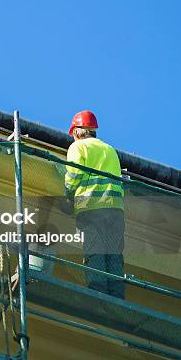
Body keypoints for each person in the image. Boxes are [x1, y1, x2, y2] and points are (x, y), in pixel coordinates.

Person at [65, 110, 125, 299]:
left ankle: (98, 291)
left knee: (95, 249)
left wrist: (68, 193)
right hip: (115, 209)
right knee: (113, 254)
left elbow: (74, 174)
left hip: (92, 206)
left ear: (77, 131)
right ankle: (116, 295)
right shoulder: (110, 150)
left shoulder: (78, 147)